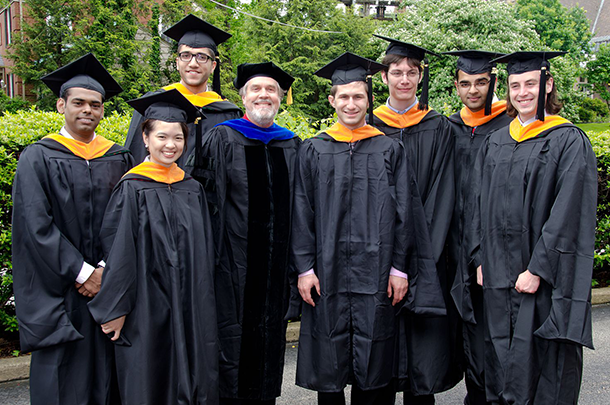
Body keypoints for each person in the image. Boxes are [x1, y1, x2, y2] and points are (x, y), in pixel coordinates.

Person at [291, 52, 443, 405]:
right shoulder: (314, 149)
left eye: (358, 96)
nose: (351, 103)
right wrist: (305, 268)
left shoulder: (389, 149)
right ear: (332, 100)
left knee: (373, 366)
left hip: (376, 272)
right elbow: (302, 211)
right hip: (325, 272)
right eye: (343, 96)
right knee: (330, 369)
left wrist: (400, 268)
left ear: (368, 99)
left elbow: (407, 212)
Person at [470, 51, 597, 404]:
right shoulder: (496, 141)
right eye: (515, 85)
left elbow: (568, 212)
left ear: (548, 85)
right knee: (500, 363)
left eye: (530, 83)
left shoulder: (568, 140)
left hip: (540, 281)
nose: (523, 92)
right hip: (497, 276)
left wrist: (538, 268)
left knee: (542, 369)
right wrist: (479, 257)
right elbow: (477, 204)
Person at [11, 53, 133, 405]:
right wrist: (82, 273)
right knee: (63, 381)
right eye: (78, 102)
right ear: (61, 104)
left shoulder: (119, 157)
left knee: (111, 379)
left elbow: (127, 220)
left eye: (96, 104)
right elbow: (35, 225)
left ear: (103, 111)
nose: (87, 110)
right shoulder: (38, 156)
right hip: (61, 291)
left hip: (108, 286)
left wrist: (106, 270)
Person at [88, 89, 218, 405]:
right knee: (150, 379)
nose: (170, 145)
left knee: (192, 374)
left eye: (177, 138)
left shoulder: (192, 189)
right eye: (161, 136)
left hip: (189, 301)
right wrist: (116, 309)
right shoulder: (132, 187)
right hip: (147, 304)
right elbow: (117, 251)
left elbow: (204, 251)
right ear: (145, 138)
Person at [193, 61, 300, 405]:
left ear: (281, 98)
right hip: (232, 267)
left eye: (271, 89)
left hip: (276, 273)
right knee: (232, 344)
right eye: (256, 89)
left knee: (270, 342)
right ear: (243, 97)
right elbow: (204, 203)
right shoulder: (222, 138)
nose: (264, 95)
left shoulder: (292, 145)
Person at [370, 35, 461, 404]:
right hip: (379, 251)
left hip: (427, 254)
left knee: (421, 357)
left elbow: (443, 194)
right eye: (396, 72)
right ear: (384, 78)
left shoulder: (439, 127)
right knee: (381, 353)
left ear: (421, 77)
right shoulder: (369, 124)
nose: (404, 79)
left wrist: (424, 253)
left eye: (411, 72)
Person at [443, 50, 512, 405]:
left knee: (491, 327)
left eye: (481, 82)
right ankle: (475, 392)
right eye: (466, 83)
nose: (473, 90)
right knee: (464, 327)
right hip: (451, 248)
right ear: (456, 86)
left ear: (493, 83)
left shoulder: (508, 128)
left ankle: (494, 394)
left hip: (489, 247)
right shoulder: (447, 127)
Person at [124, 14, 241, 167]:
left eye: (202, 57)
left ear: (213, 66)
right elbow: (136, 155)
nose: (193, 63)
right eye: (186, 56)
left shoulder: (228, 113)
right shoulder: (153, 103)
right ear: (177, 63)